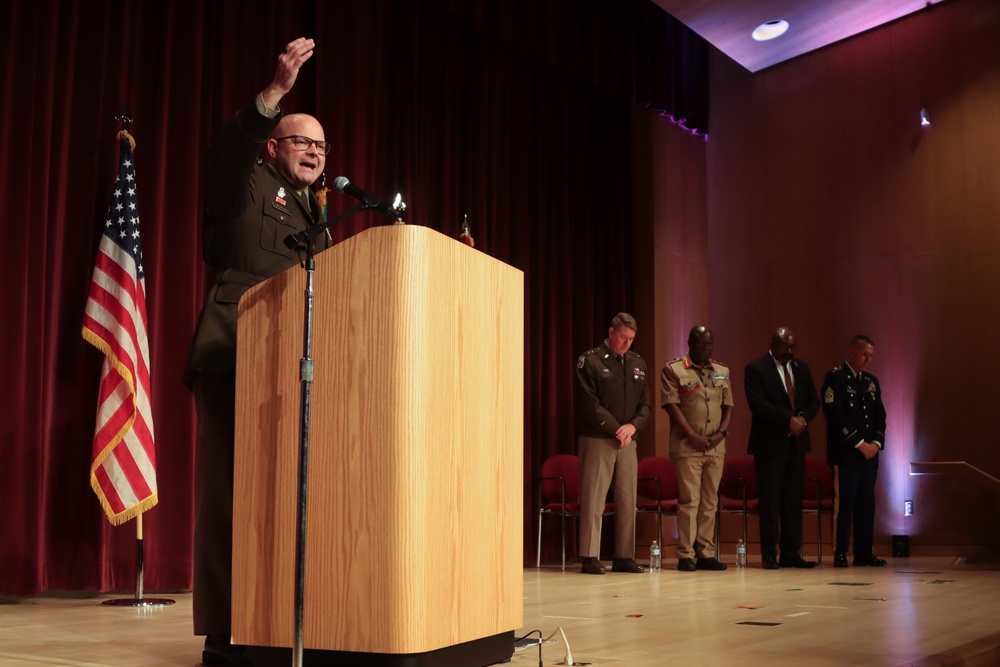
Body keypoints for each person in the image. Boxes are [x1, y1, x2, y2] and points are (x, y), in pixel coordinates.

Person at [182, 37, 332, 666]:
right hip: (235, 352)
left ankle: (282, 621)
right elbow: (226, 150)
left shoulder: (319, 214)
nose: (315, 152)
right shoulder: (243, 179)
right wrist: (273, 93)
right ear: (274, 146)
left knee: (290, 498)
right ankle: (226, 633)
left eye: (322, 147)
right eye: (303, 141)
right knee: (228, 497)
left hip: (297, 366)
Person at [575, 313, 650, 575]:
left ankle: (624, 555)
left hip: (627, 440)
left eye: (631, 339)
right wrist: (617, 428)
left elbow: (645, 404)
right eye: (623, 338)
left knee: (627, 497)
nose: (627, 344)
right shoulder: (591, 360)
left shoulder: (637, 362)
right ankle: (590, 555)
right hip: (599, 438)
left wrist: (633, 427)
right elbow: (589, 403)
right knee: (594, 496)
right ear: (611, 333)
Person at [745, 327, 821, 569]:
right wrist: (788, 419)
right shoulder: (756, 368)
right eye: (785, 346)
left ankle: (791, 552)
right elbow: (757, 404)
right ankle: (769, 554)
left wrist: (803, 419)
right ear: (772, 343)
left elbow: (813, 401)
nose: (789, 351)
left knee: (792, 500)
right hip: (769, 445)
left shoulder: (801, 368)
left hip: (797, 444)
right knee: (770, 501)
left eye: (792, 346)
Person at [661, 325, 733, 572]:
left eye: (710, 344)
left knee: (710, 501)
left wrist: (722, 433)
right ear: (690, 342)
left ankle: (706, 553)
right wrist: (692, 435)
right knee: (690, 500)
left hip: (715, 446)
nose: (707, 348)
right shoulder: (673, 369)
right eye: (702, 344)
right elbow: (672, 406)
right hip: (687, 446)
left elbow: (728, 405)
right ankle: (685, 554)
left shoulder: (722, 371)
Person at [822, 335, 888, 568]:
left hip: (869, 456)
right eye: (864, 354)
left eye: (871, 355)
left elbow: (880, 416)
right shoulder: (836, 378)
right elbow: (834, 414)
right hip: (847, 454)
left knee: (866, 506)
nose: (868, 359)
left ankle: (863, 553)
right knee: (845, 505)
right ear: (851, 352)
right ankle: (840, 552)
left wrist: (876, 444)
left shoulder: (871, 381)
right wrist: (859, 443)